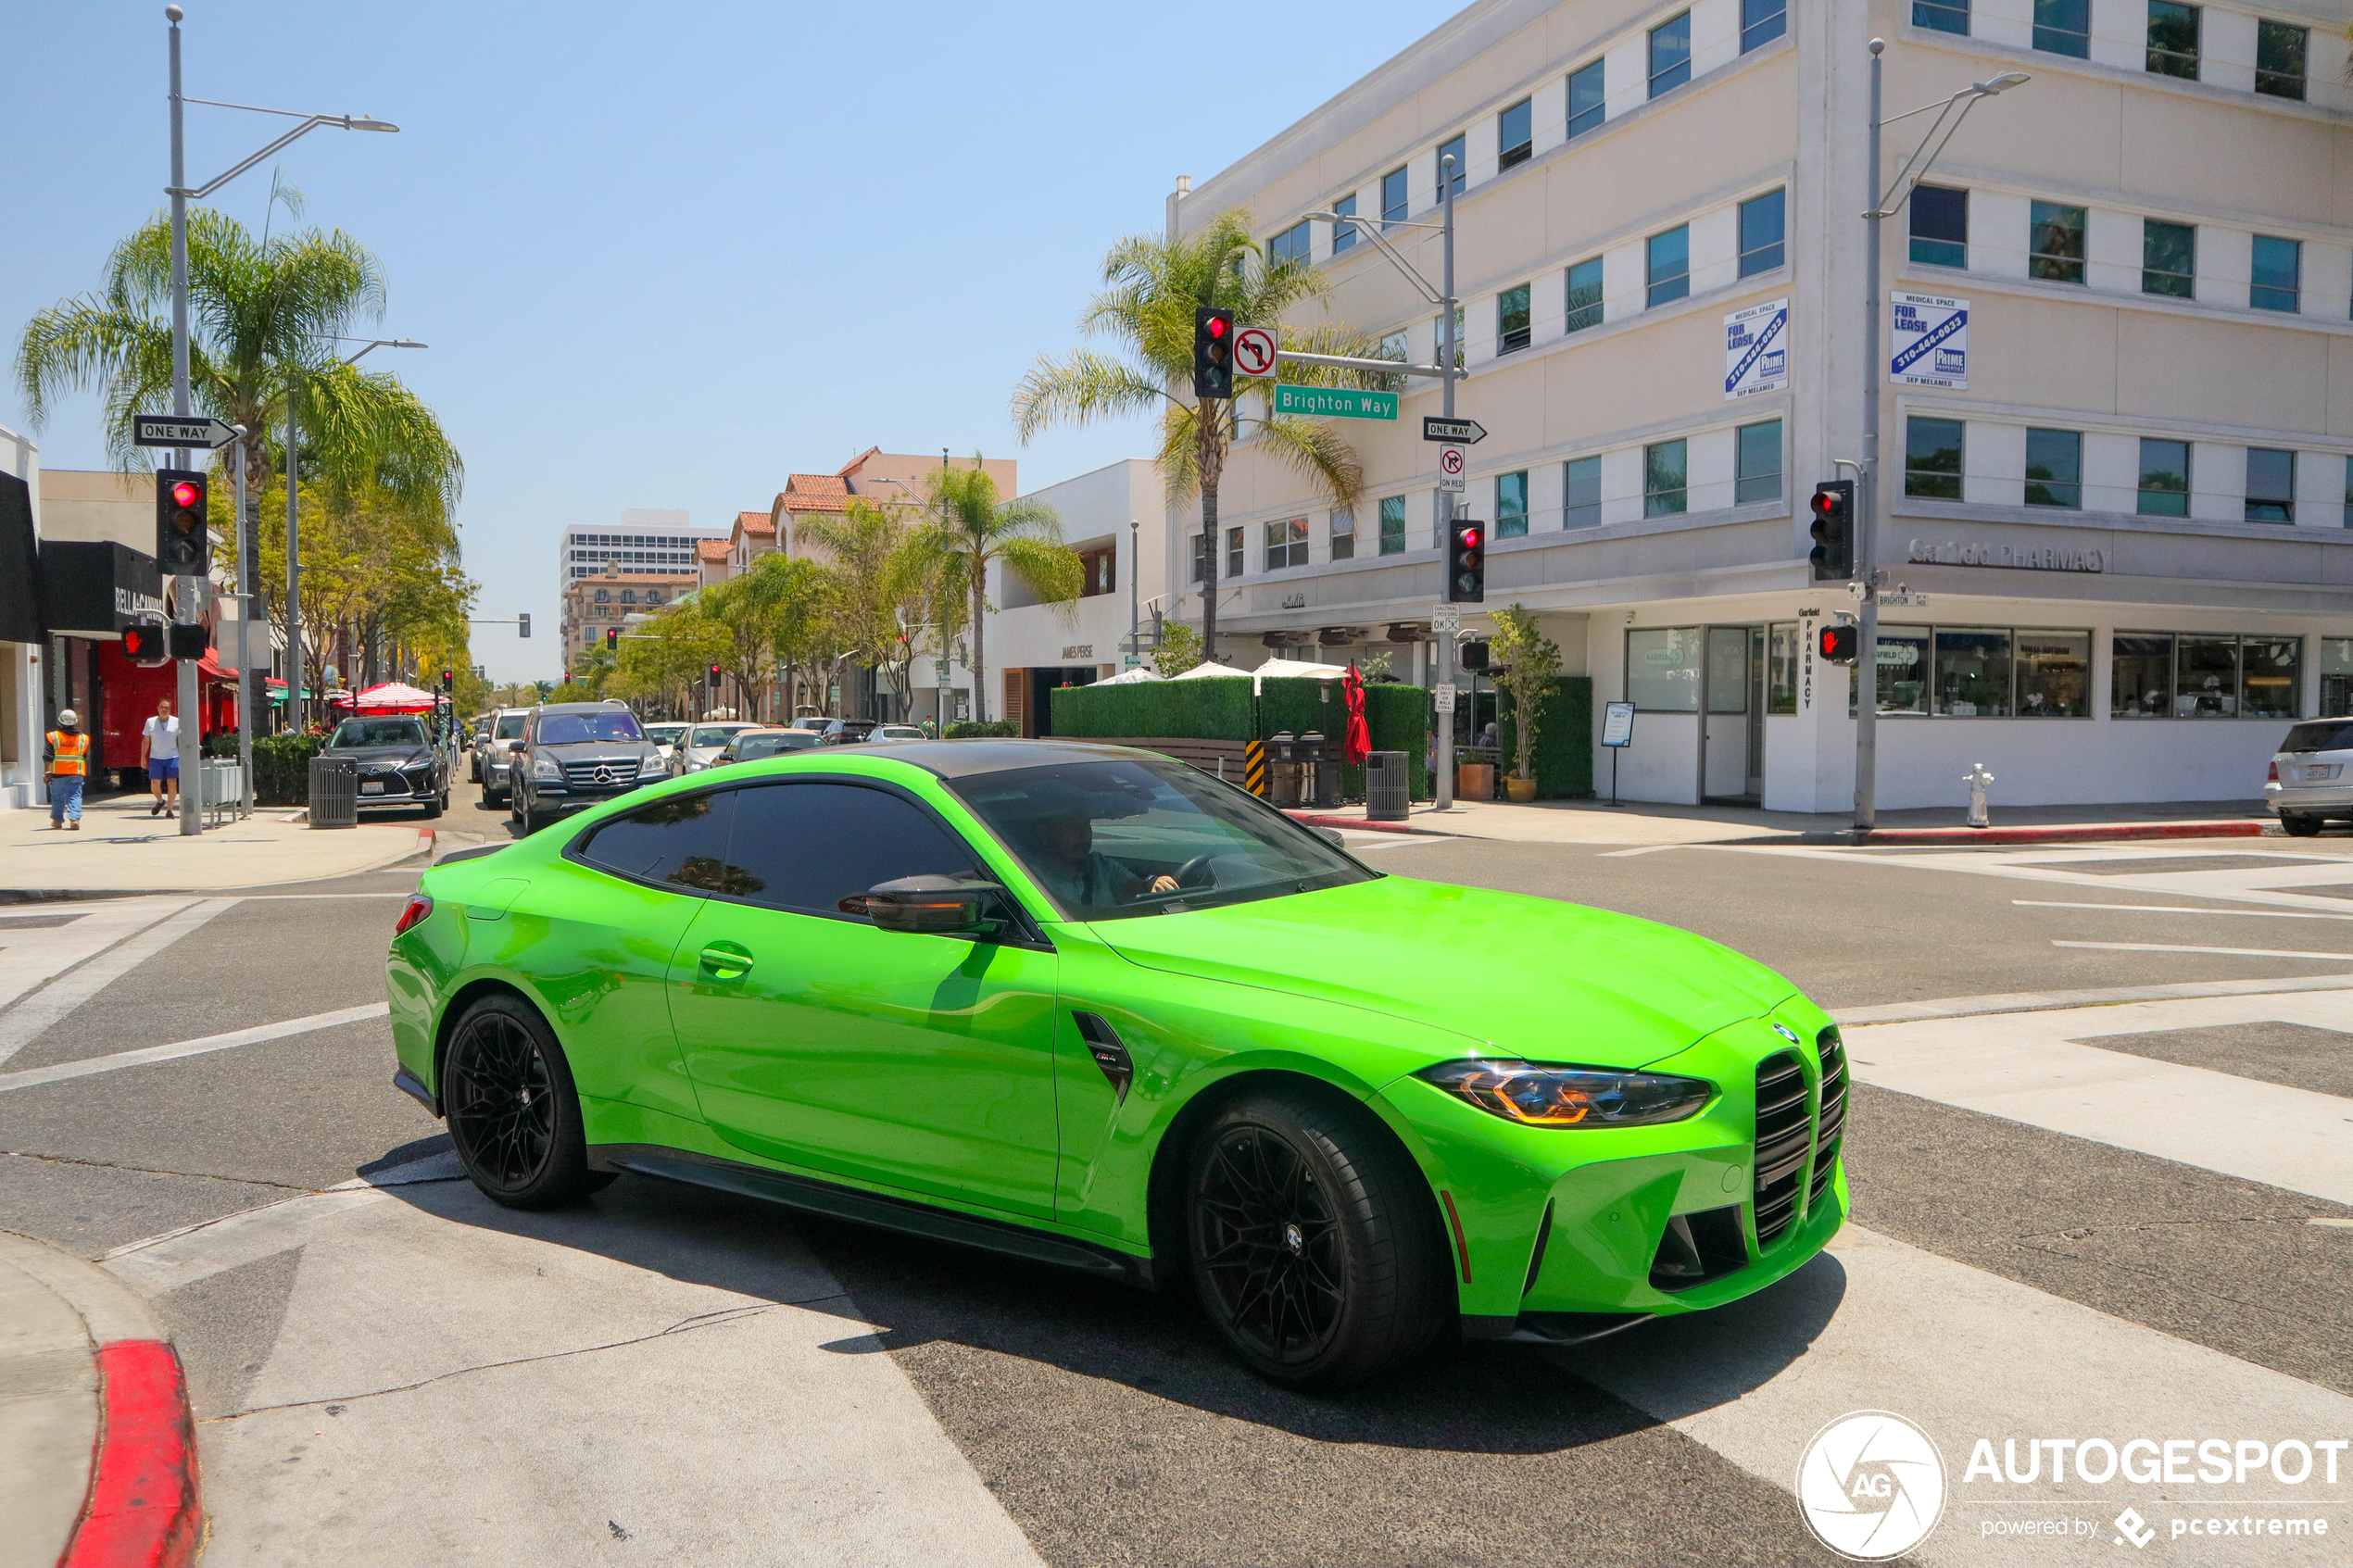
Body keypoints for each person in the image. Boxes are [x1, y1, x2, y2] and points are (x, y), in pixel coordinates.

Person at [1013, 782, 1182, 909]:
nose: (1084, 833)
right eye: (1072, 825)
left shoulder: (1101, 867)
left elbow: (1133, 888)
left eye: (1086, 823)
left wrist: (1153, 884)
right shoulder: (1028, 878)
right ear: (1044, 834)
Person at [45, 709, 91, 831]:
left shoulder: (53, 736)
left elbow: (48, 756)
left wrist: (47, 772)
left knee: (58, 796)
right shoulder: (83, 738)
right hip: (76, 771)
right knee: (75, 795)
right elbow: (84, 755)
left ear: (60, 721)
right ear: (75, 722)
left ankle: (57, 820)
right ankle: (74, 819)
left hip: (58, 772)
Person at [142, 698, 181, 816]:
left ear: (170, 709)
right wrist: (143, 756)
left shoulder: (177, 721)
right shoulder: (150, 722)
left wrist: (182, 757)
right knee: (154, 784)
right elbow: (146, 740)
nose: (164, 709)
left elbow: (180, 740)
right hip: (156, 757)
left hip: (172, 756)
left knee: (172, 782)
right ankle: (160, 801)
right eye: (162, 707)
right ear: (158, 708)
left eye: (167, 707)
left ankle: (169, 809)